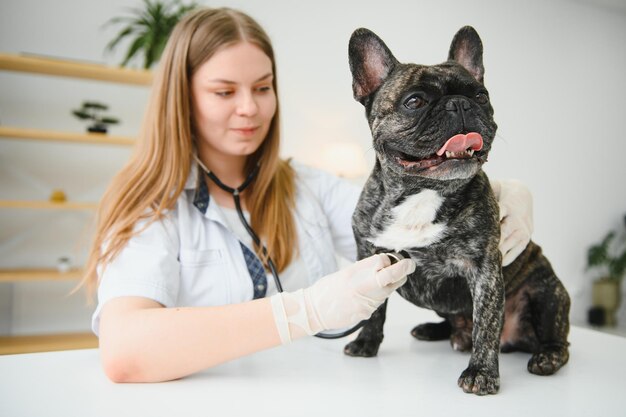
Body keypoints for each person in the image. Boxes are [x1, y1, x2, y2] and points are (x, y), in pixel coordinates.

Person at [82, 7, 534, 383]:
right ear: (181, 99)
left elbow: (408, 223)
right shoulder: (149, 207)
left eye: (263, 87)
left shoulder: (308, 188)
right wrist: (302, 312)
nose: (249, 107)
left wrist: (506, 192)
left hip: (319, 391)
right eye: (224, 91)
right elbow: (124, 352)